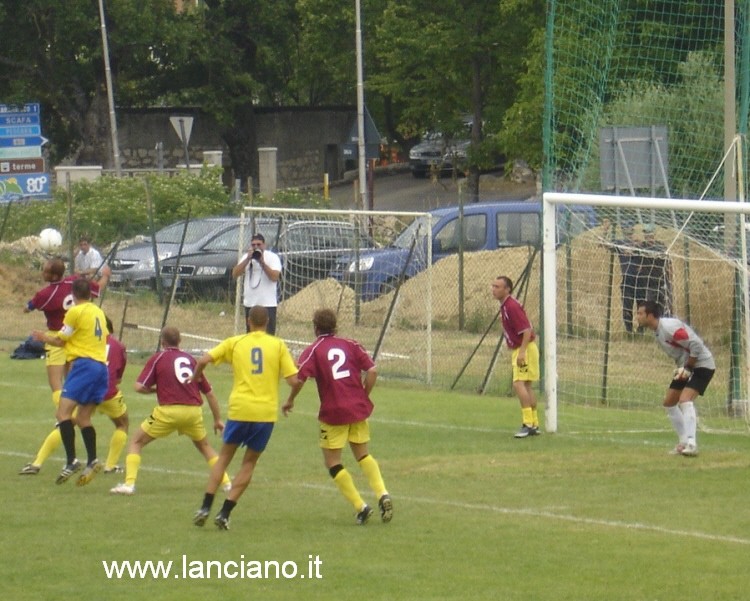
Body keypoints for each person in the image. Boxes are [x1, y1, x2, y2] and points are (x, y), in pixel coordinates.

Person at [192, 305, 299, 530]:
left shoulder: (235, 342)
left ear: (248, 321)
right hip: (265, 414)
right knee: (249, 462)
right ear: (267, 322)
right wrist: (290, 398)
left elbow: (202, 361)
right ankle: (224, 512)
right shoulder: (278, 345)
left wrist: (196, 377)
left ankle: (204, 506)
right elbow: (293, 380)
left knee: (223, 459)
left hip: (240, 410)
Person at [282, 308, 392, 525]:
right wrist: (363, 394)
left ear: (315, 327)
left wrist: (290, 399)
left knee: (333, 461)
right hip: (357, 408)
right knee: (362, 455)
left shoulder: (314, 350)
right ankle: (383, 494)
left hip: (334, 412)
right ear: (335, 326)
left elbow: (298, 379)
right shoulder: (351, 344)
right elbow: (372, 371)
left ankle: (361, 507)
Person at [109, 326, 231, 495]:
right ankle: (227, 484)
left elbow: (138, 387)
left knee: (136, 442)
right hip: (193, 412)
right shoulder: (191, 360)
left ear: (162, 342)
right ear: (180, 341)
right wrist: (217, 419)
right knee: (205, 447)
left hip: (168, 412)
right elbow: (210, 394)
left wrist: (153, 390)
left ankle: (129, 484)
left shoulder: (158, 358)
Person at [19, 259, 106, 476]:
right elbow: (98, 286)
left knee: (62, 411)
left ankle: (71, 461)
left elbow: (60, 340)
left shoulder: (71, 310)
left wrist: (42, 337)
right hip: (100, 366)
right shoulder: (98, 312)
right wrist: (104, 276)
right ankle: (92, 460)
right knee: (84, 417)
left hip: (80, 360)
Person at [636, 300, 715, 457]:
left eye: (640, 313)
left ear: (650, 316)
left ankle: (692, 444)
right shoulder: (657, 330)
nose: (637, 317)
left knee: (685, 399)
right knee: (669, 403)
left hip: (702, 365)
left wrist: (688, 368)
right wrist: (684, 368)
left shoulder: (669, 327)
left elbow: (697, 345)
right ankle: (683, 442)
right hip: (686, 367)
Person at [491, 275, 541, 438]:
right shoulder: (505, 306)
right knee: (526, 386)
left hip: (524, 348)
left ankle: (527, 424)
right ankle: (534, 423)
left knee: (518, 384)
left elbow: (526, 330)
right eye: (493, 286)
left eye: (498, 287)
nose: (494, 289)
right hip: (524, 348)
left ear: (507, 289)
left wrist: (521, 352)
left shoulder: (511, 306)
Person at [231, 233, 282, 335]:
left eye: (259, 244)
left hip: (267, 304)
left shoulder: (272, 257)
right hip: (250, 304)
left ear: (264, 245)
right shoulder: (247, 257)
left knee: (268, 336)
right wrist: (247, 259)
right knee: (251, 335)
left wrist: (262, 263)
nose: (256, 247)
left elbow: (274, 277)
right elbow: (235, 274)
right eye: (253, 245)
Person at [97, 316, 129, 473]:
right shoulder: (119, 346)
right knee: (122, 424)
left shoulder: (87, 342)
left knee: (68, 422)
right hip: (108, 392)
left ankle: (39, 461)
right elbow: (118, 378)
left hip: (84, 390)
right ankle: (110, 466)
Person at [602, 221, 640, 332]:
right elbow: (603, 244)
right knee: (627, 308)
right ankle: (629, 332)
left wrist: (635, 248)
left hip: (641, 281)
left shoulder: (639, 244)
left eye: (630, 231)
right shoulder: (620, 244)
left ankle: (640, 333)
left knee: (642, 308)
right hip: (627, 280)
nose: (628, 233)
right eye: (625, 231)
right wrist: (604, 231)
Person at [636, 224, 672, 316]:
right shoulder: (642, 247)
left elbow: (668, 263)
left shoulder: (661, 247)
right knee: (650, 309)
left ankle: (666, 327)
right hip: (650, 284)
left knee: (665, 308)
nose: (648, 236)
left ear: (654, 234)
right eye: (646, 234)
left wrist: (669, 278)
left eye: (649, 234)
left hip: (662, 282)